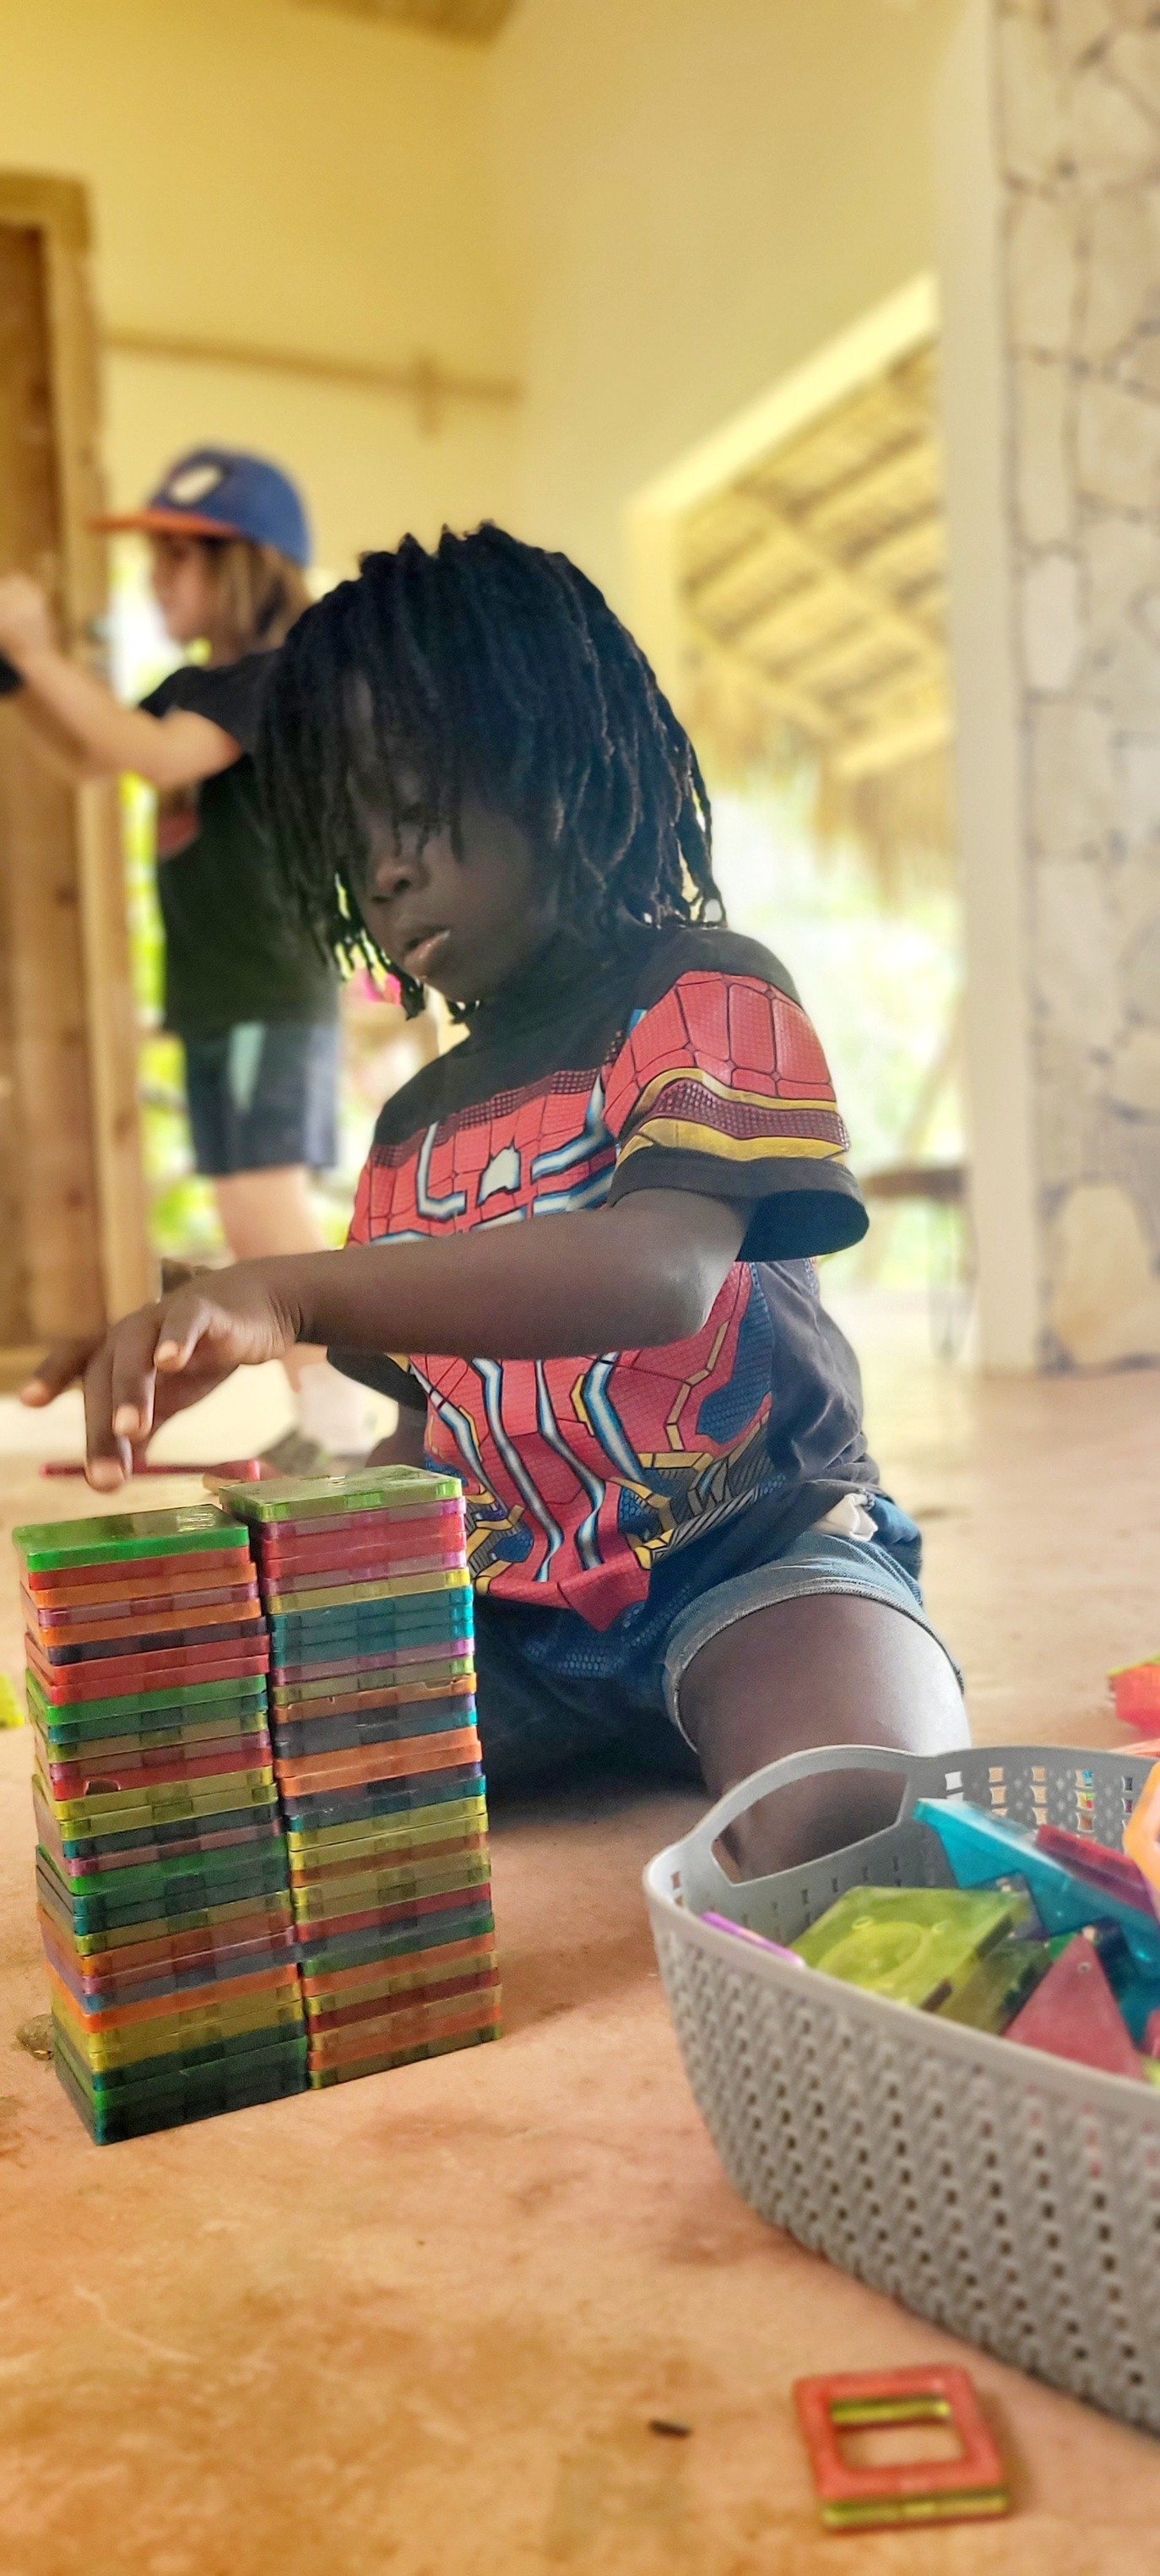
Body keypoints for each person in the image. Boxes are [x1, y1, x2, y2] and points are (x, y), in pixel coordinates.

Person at [22, 526, 966, 1869]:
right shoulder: (409, 1125)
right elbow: (418, 1435)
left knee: (847, 1812)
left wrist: (283, 1289)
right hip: (505, 1613)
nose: (382, 871)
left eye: (406, 805)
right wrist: (266, 1561)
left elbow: (657, 1272)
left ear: (555, 761)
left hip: (755, 1564)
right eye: (347, 843)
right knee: (212, 1801)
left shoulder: (705, 986)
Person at [0, 445, 368, 1464]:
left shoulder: (269, 677)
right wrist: (18, 676)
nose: (155, 579)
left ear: (245, 566)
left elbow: (153, 756)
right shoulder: (190, 685)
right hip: (220, 992)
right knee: (248, 1205)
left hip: (267, 983)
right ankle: (329, 1412)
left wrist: (36, 651)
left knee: (263, 1205)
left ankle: (341, 1418)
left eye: (177, 559)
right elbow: (91, 752)